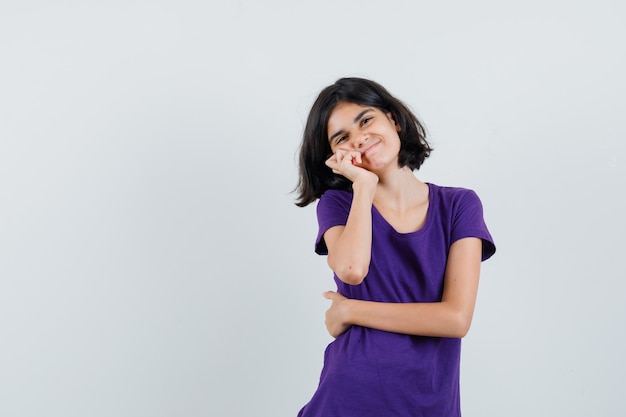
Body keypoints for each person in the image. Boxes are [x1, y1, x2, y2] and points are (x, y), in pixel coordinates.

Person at [294, 77, 496, 417]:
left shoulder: (459, 205)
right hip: (348, 397)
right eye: (342, 137)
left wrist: (351, 311)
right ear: (335, 156)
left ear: (394, 120)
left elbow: (456, 319)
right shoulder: (338, 205)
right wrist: (364, 186)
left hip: (430, 403)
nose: (358, 138)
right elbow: (351, 270)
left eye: (366, 120)